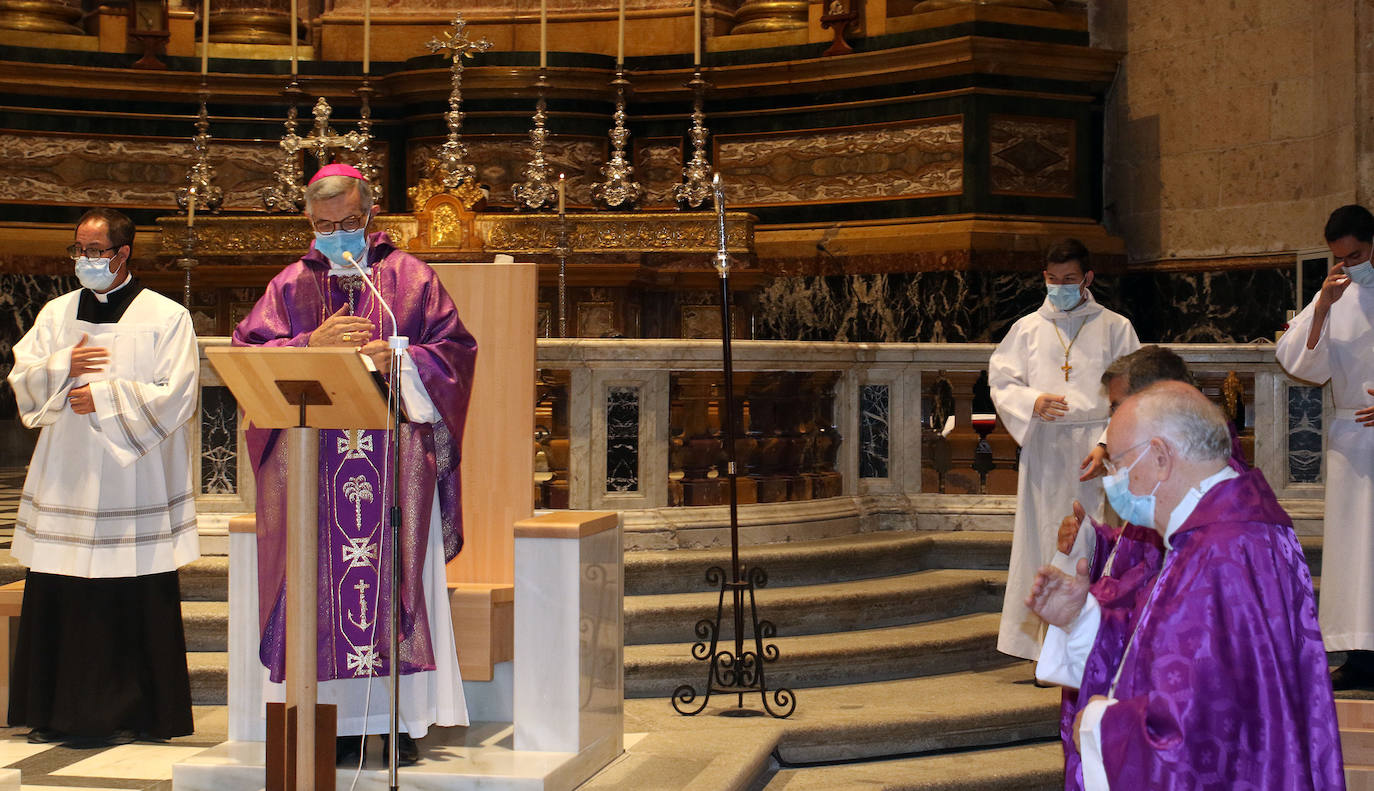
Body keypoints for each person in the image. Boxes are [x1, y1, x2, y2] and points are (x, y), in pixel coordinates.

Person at [233, 164, 478, 766]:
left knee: (390, 580)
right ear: (308, 224)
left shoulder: (411, 278)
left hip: (393, 465)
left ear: (369, 218)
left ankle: (398, 722)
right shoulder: (290, 284)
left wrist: (400, 356)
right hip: (312, 469)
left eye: (346, 223)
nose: (335, 235)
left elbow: (454, 352)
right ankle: (331, 723)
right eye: (322, 226)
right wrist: (307, 345)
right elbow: (248, 353)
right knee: (318, 580)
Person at [1029, 382, 1343, 790]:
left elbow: (1193, 735)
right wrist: (1082, 618)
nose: (1113, 480)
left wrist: (1099, 725)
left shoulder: (1217, 553)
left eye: (1118, 465)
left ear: (1160, 457)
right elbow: (1201, 672)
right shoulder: (1232, 527)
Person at [6, 207, 199, 745]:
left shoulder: (166, 316)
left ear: (123, 254)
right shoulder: (56, 313)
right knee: (60, 585)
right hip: (67, 474)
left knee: (129, 589)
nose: (84, 261)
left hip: (130, 475)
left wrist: (108, 399)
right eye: (79, 250)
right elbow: (23, 377)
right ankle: (54, 712)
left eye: (95, 251)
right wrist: (63, 367)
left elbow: (178, 395)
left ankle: (136, 713)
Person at [1052, 346, 1250, 789]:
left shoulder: (1218, 534)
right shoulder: (1205, 497)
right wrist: (1095, 542)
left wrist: (1088, 618)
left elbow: (1192, 684)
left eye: (1118, 408)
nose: (1112, 426)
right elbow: (1142, 561)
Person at [988, 238, 1139, 660]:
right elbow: (1002, 381)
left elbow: (1133, 388)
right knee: (1043, 541)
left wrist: (1108, 442)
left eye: (1069, 280)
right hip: (1047, 450)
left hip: (1097, 451)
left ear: (1088, 278)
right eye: (1053, 280)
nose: (1060, 287)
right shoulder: (1027, 328)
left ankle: (1096, 644)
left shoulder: (1115, 327)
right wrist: (1031, 402)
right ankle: (1045, 651)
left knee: (1096, 542)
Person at [1277, 203, 1374, 689]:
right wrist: (1321, 308)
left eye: (1357, 255)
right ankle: (1360, 658)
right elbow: (1302, 364)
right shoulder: (1336, 294)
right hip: (1352, 440)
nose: (1350, 265)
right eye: (1341, 258)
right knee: (1353, 555)